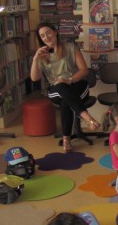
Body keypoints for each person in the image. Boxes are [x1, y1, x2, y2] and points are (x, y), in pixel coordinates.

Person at [31, 23, 101, 153]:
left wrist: (69, 80)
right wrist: (35, 58)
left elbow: (84, 70)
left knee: (66, 101)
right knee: (61, 87)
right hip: (56, 90)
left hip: (77, 85)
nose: (46, 37)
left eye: (48, 33)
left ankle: (66, 139)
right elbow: (35, 78)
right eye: (42, 35)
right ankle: (86, 117)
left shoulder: (70, 47)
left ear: (55, 32)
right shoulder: (41, 55)